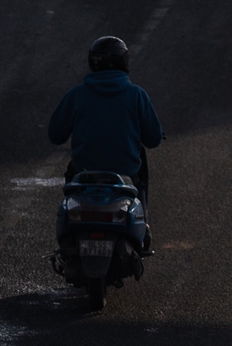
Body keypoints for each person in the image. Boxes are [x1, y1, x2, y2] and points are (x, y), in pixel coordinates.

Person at [48, 36, 164, 244]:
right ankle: (143, 226)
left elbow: (55, 135)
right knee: (141, 172)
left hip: (83, 174)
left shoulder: (77, 95)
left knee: (71, 176)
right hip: (126, 175)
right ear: (122, 62)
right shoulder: (136, 95)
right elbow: (153, 139)